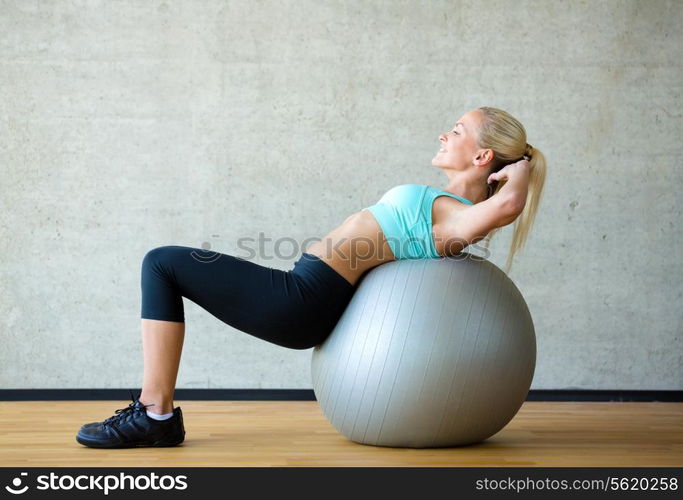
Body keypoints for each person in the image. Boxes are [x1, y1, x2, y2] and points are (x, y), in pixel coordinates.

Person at [75, 106, 546, 448]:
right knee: (164, 263)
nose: (445, 134)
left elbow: (506, 205)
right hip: (303, 288)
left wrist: (521, 169)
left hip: (302, 299)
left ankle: (154, 412)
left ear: (483, 157)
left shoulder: (454, 216)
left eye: (457, 130)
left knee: (162, 262)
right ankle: (154, 412)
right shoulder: (450, 208)